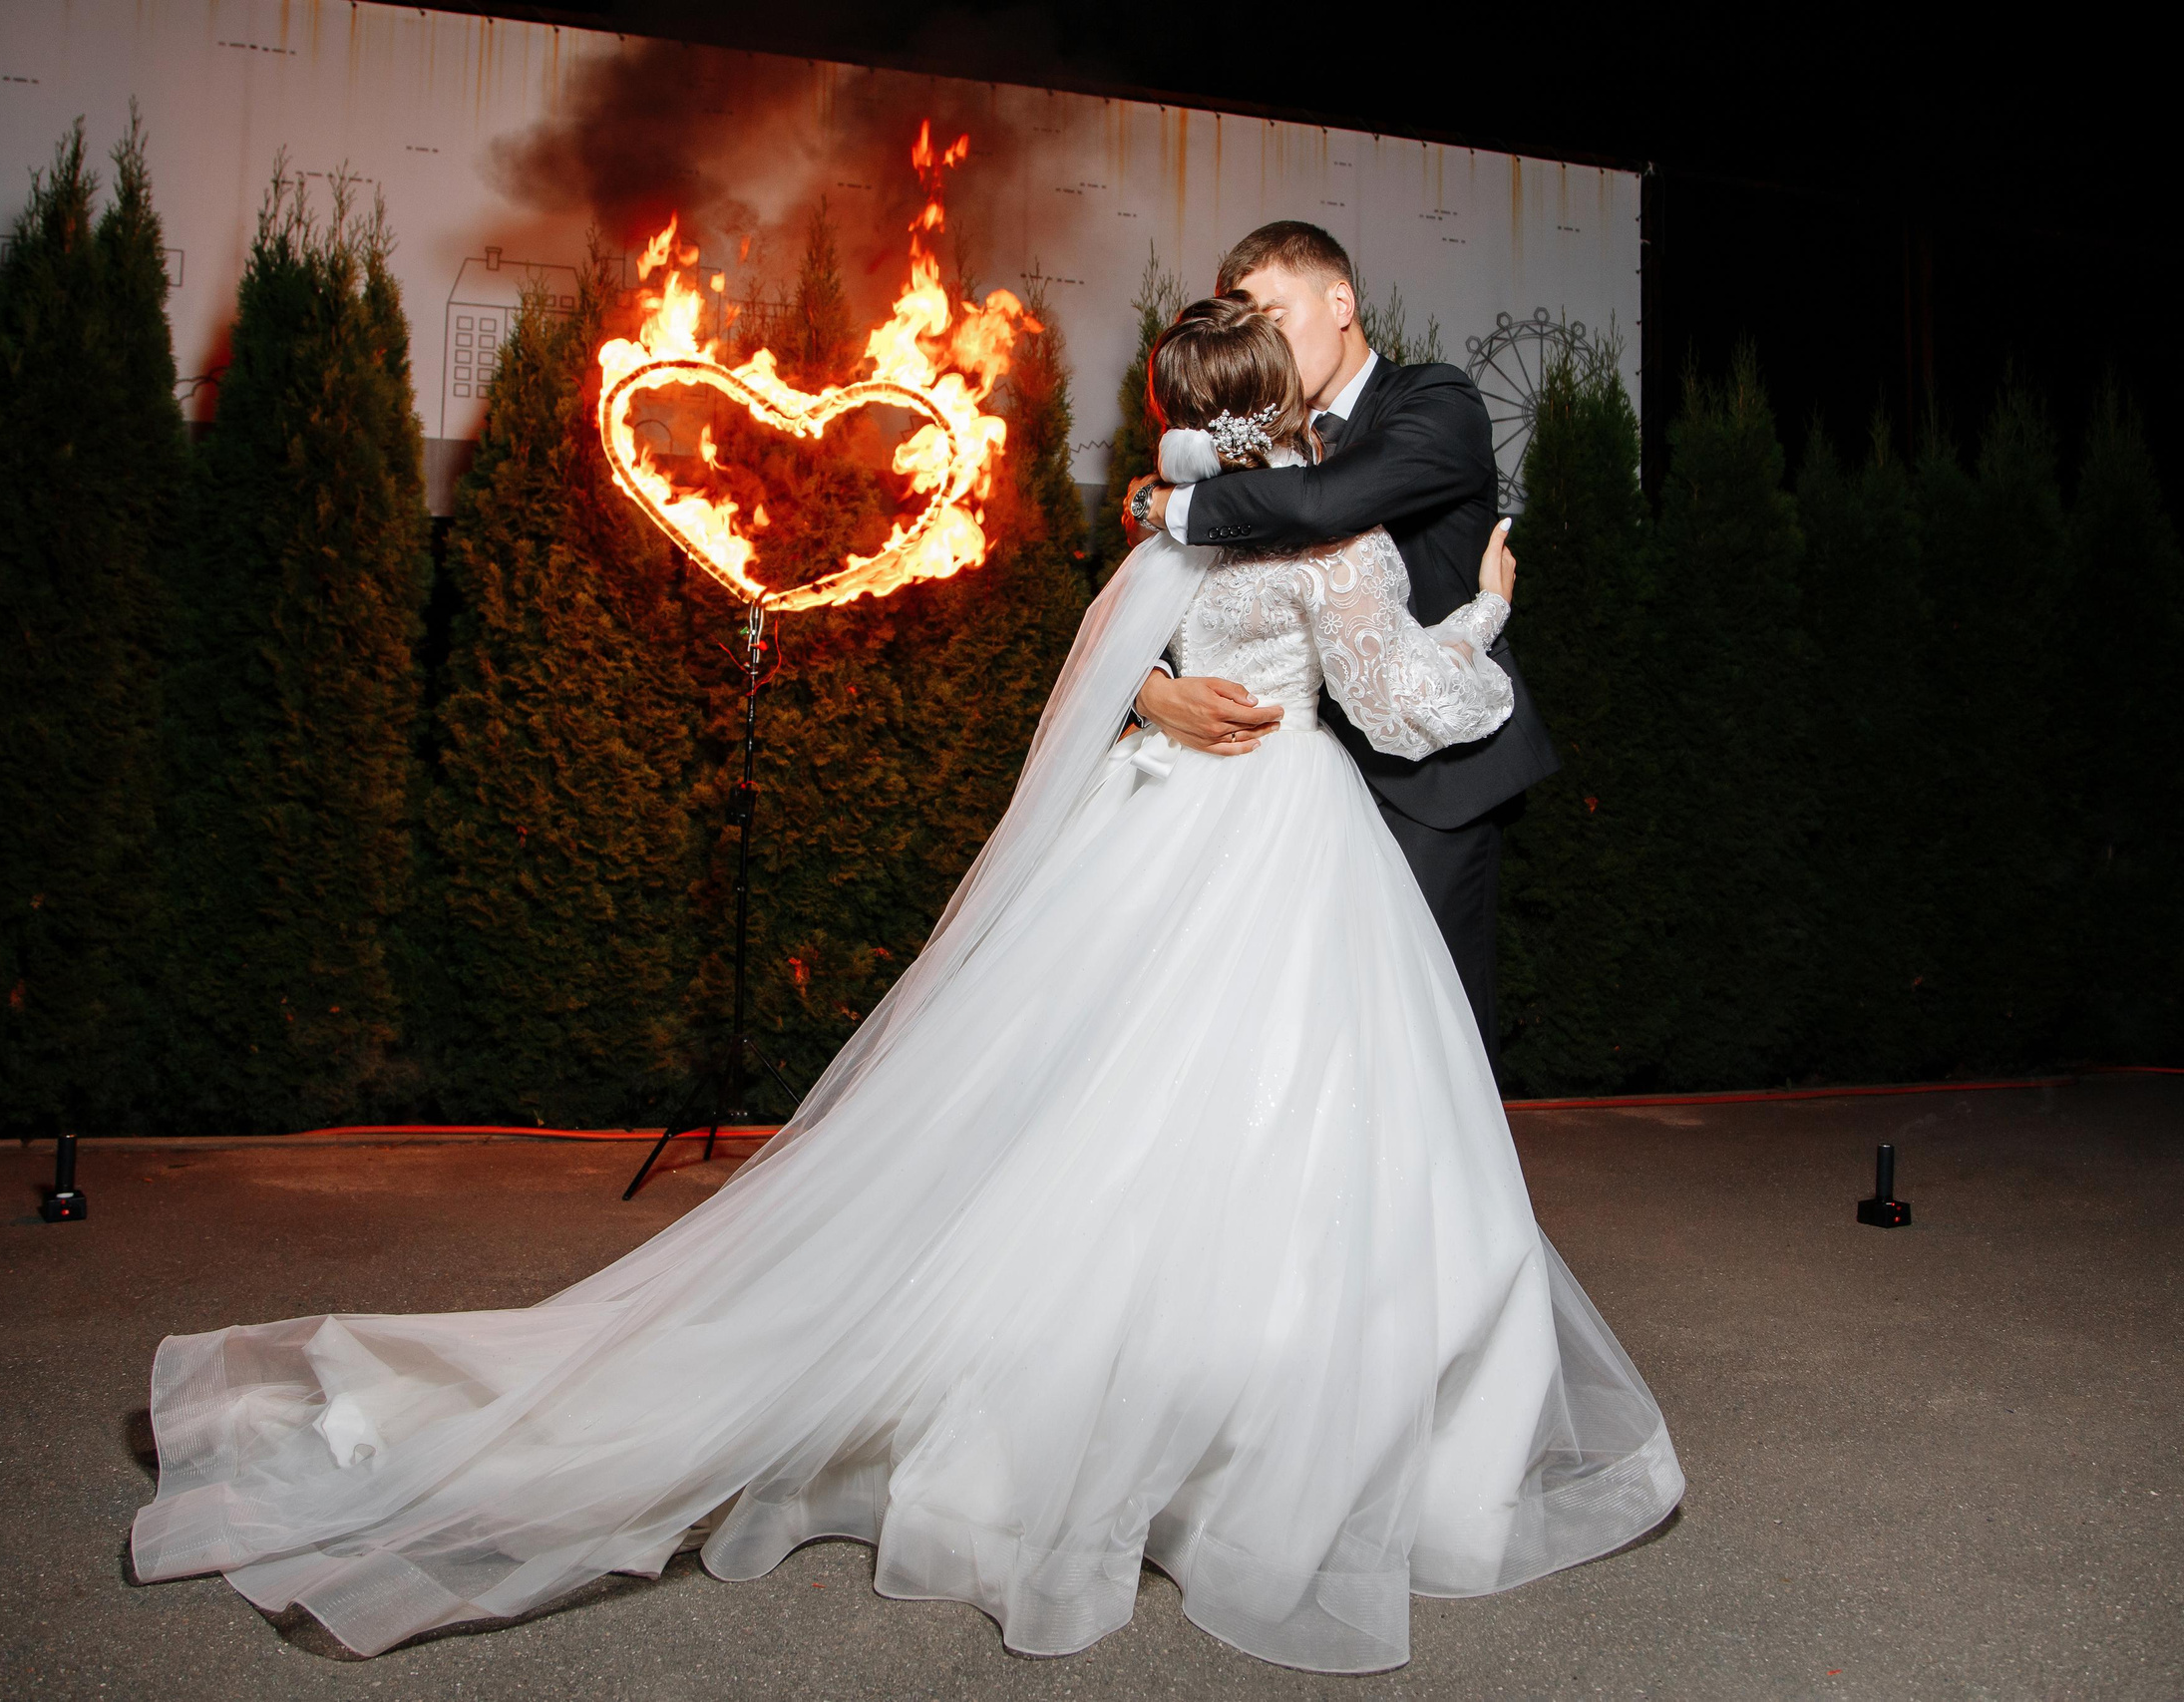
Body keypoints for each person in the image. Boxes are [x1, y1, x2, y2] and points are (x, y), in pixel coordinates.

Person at [130, 295, 1682, 1676]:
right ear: (1284, 395)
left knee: (1081, 1128)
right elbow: (1409, 709)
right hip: (1283, 841)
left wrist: (1156, 679)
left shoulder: (1173, 535)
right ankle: (1236, 1449)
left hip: (1148, 839)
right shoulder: (1327, 538)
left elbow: (1088, 689)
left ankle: (1059, 1412)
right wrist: (1486, 602)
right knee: (1278, 1141)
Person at [1126, 221, 1560, 1072]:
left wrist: (1161, 504)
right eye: (1242, 321)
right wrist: (1152, 687)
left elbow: (1323, 506)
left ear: (1342, 302)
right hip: (1277, 788)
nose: (1261, 340)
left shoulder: (1437, 402)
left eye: (1272, 313)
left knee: (1421, 1049)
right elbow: (1185, 604)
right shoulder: (1243, 445)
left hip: (1426, 776)